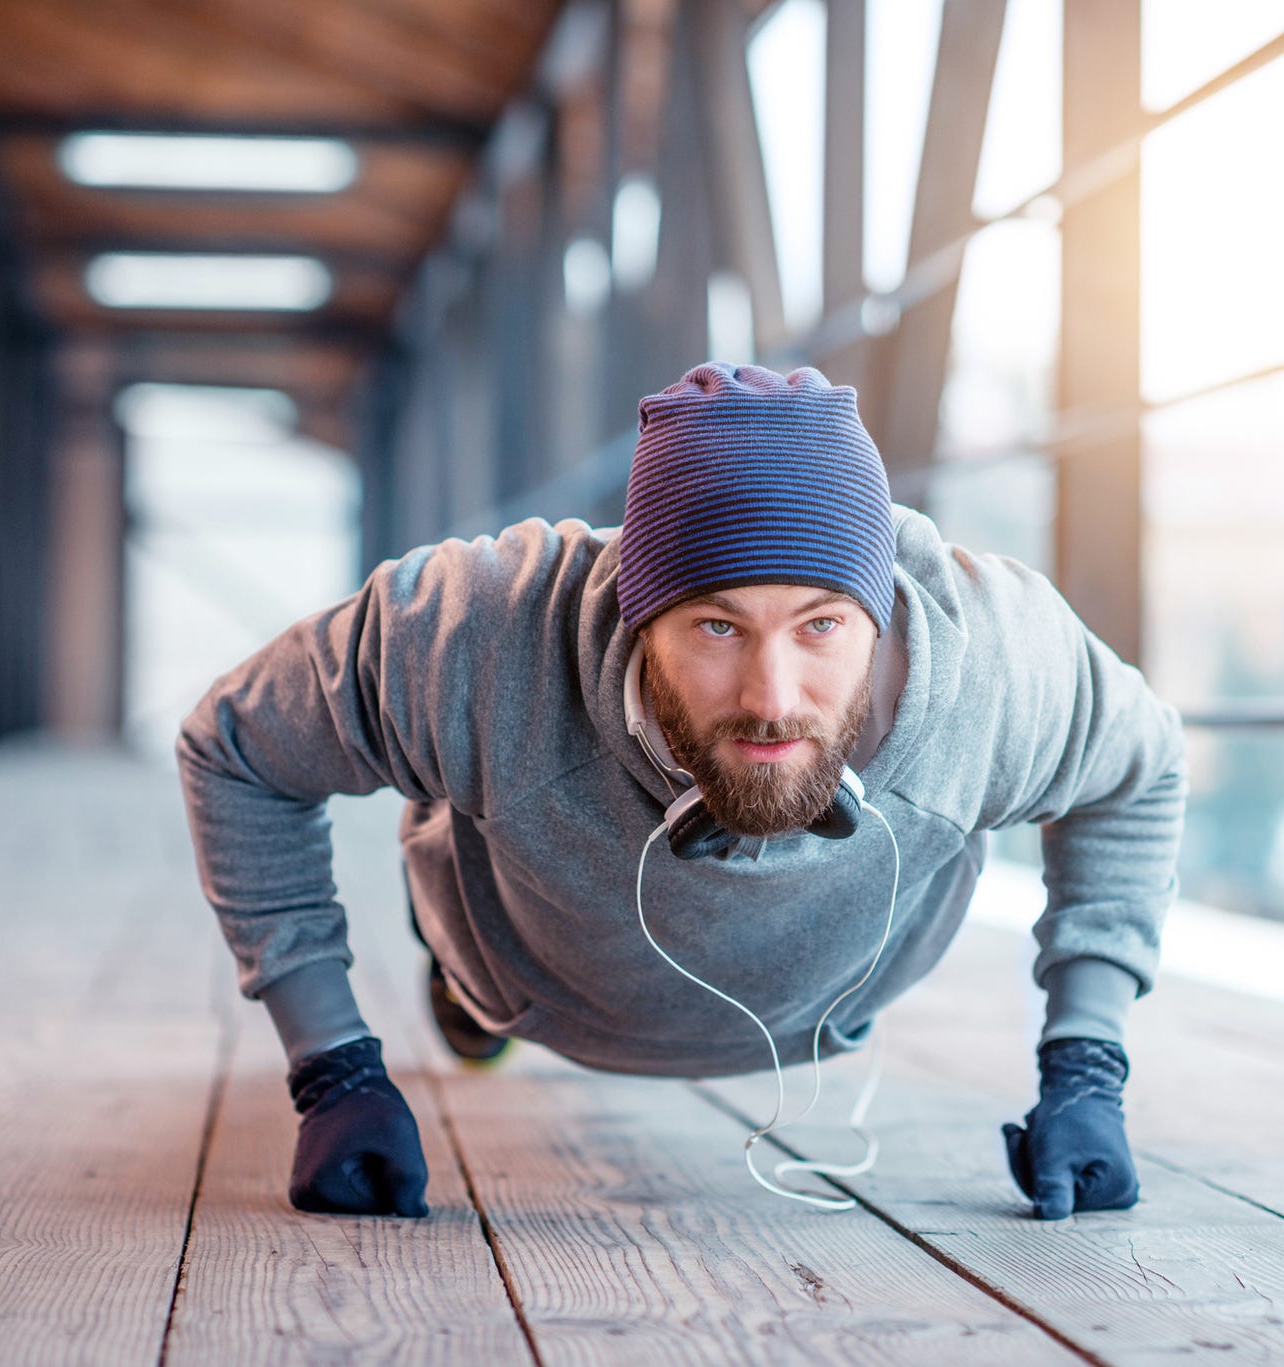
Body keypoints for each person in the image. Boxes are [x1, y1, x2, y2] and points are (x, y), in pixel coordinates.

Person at [175, 361, 1188, 1223]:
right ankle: (462, 987)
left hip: (831, 1001)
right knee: (466, 830)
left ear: (876, 614)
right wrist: (332, 1065)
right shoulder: (474, 632)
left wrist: (1085, 1061)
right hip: (523, 965)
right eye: (715, 626)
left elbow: (1139, 771)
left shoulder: (998, 666)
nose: (770, 695)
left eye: (821, 625)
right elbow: (233, 746)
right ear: (634, 610)